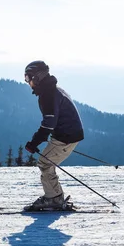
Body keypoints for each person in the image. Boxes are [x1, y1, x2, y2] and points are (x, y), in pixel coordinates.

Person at [23, 60, 84, 210]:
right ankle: (55, 196)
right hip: (68, 135)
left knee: (45, 164)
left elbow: (48, 123)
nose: (27, 82)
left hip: (65, 137)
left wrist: (34, 142)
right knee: (46, 162)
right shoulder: (52, 90)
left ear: (37, 77)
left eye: (28, 78)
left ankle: (54, 199)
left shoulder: (48, 95)